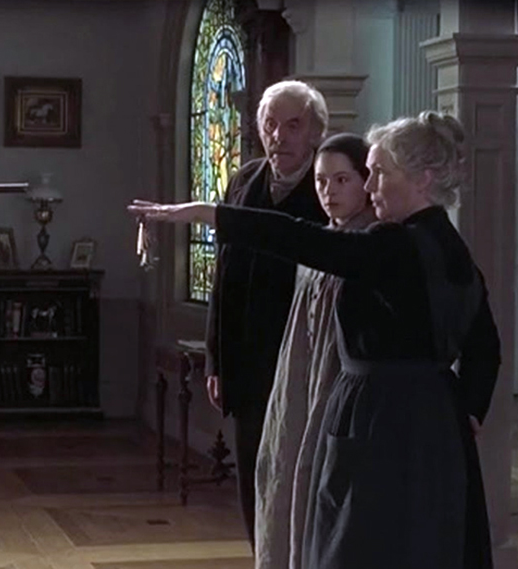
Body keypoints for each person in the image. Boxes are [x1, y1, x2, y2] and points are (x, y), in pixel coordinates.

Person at [129, 110, 500, 569]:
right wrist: (465, 411)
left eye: (380, 173)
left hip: (379, 417)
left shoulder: (396, 244)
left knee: (364, 544)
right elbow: (485, 346)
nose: (369, 186)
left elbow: (299, 239)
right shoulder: (450, 244)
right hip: (435, 419)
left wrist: (208, 214)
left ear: (423, 179)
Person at [204, 80, 330, 544]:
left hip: (305, 359)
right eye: (271, 125)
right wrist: (216, 360)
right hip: (247, 361)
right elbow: (223, 276)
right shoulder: (244, 180)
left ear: (314, 132)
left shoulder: (329, 188)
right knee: (254, 478)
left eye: (293, 125)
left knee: (300, 479)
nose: (280, 137)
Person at [253, 133, 376, 569]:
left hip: (339, 383)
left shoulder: (372, 244)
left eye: (342, 180)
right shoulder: (320, 242)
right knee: (285, 471)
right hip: (301, 378)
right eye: (322, 181)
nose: (329, 191)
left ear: (366, 182)